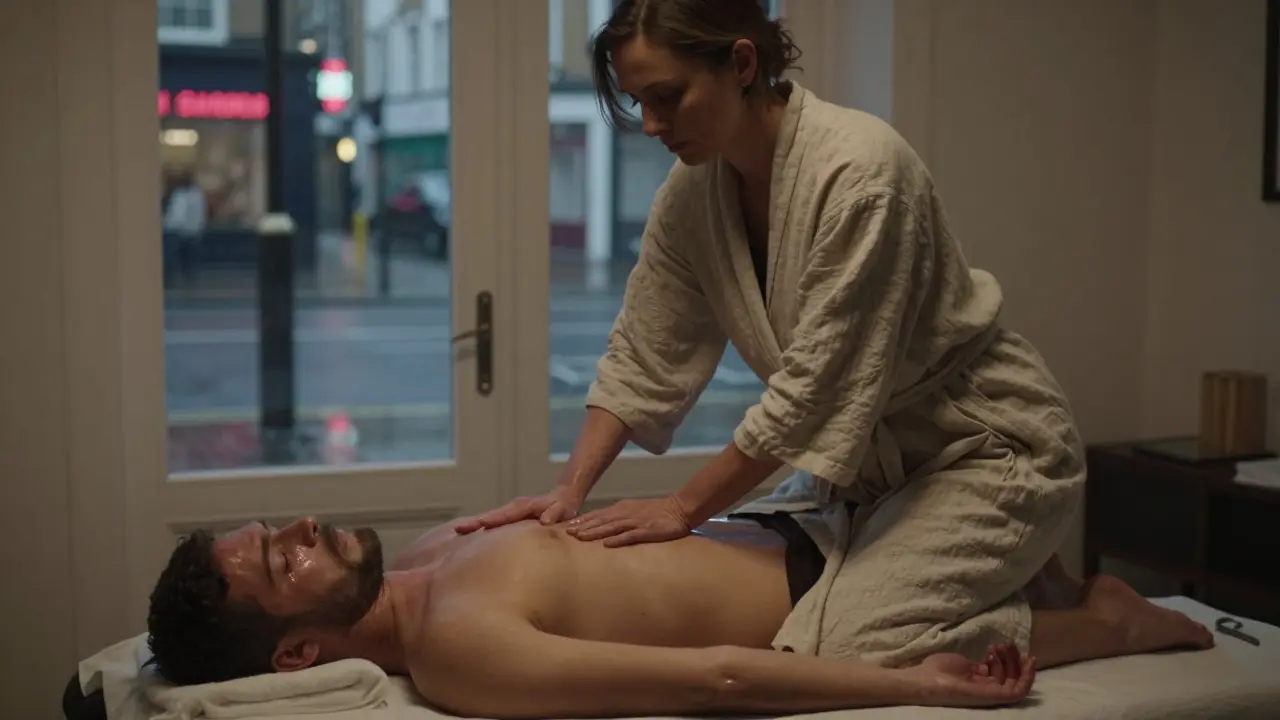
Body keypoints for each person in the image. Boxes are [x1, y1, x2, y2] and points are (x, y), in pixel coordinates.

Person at [454, 0, 1103, 668]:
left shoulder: (863, 173)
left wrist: (681, 506)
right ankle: (1036, 582)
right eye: (638, 103)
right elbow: (642, 354)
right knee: (771, 575)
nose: (650, 125)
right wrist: (569, 492)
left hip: (984, 449)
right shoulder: (691, 196)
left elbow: (813, 395)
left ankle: (1111, 622)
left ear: (741, 63)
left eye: (667, 97)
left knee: (838, 641)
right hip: (869, 473)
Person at [145, 515, 1214, 718]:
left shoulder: (427, 557)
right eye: (281, 559)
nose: (305, 526)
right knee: (1096, 623)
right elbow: (711, 680)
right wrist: (918, 682)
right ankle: (1111, 620)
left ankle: (1057, 587)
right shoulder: (456, 655)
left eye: (276, 526)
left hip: (801, 523)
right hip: (832, 602)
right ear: (296, 652)